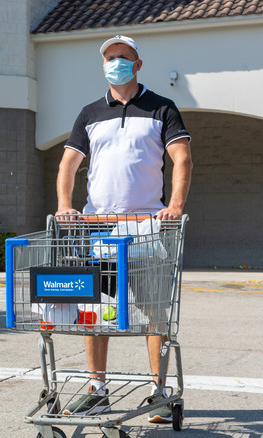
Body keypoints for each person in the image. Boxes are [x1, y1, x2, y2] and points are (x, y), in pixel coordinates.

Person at [56, 35, 192, 423]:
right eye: (110, 58)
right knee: (96, 312)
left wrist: (175, 206)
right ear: (103, 66)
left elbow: (181, 158)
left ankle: (158, 392)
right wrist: (66, 206)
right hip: (100, 228)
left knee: (154, 313)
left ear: (138, 64)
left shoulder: (161, 108)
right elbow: (68, 164)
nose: (116, 62)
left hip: (148, 228)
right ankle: (97, 390)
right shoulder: (89, 113)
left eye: (124, 57)